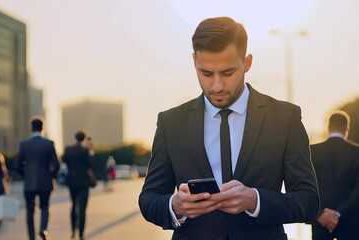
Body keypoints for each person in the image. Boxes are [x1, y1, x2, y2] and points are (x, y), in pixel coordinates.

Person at [138, 16, 319, 240]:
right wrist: (175, 205)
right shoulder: (171, 123)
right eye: (206, 74)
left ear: (248, 62)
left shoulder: (284, 118)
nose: (217, 86)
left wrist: (255, 200)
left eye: (227, 73)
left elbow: (308, 201)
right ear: (194, 62)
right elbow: (149, 198)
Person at [309, 111, 359, 240]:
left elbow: (306, 186)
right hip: (351, 221)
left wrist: (320, 214)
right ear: (347, 128)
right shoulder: (356, 153)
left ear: (328, 127)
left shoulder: (311, 151)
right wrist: (338, 213)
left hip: (320, 221)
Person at [15, 116, 60, 240]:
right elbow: (56, 165)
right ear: (42, 128)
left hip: (29, 183)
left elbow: (17, 165)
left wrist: (26, 175)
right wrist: (51, 176)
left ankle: (31, 237)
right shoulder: (49, 144)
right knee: (45, 207)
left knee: (30, 210)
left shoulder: (24, 145)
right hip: (46, 182)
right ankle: (43, 229)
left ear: (31, 128)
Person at [63, 131, 96, 240]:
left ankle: (73, 231)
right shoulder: (85, 150)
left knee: (73, 205)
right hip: (83, 182)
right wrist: (91, 151)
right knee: (82, 208)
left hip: (71, 181)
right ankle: (81, 234)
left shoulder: (68, 149)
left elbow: (66, 162)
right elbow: (90, 164)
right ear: (84, 138)